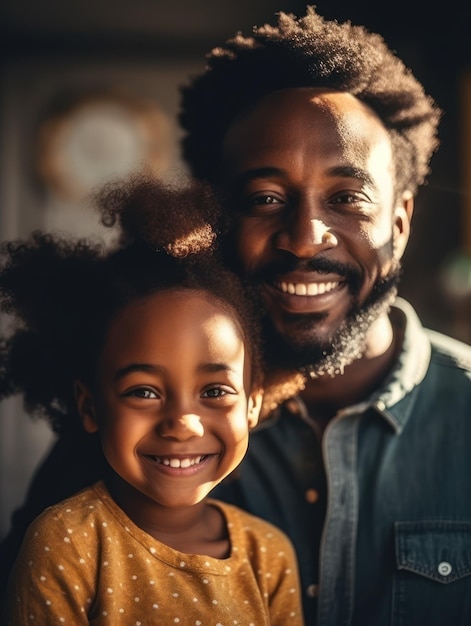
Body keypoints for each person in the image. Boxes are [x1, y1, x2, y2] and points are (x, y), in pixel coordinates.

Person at [2, 5, 471, 625]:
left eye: (347, 198)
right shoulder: (128, 428)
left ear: (401, 222)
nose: (305, 238)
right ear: (216, 220)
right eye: (264, 199)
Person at [1, 177, 304, 625]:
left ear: (253, 402)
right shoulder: (63, 544)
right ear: (90, 407)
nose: (183, 422)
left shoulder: (270, 556)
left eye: (215, 392)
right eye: (144, 391)